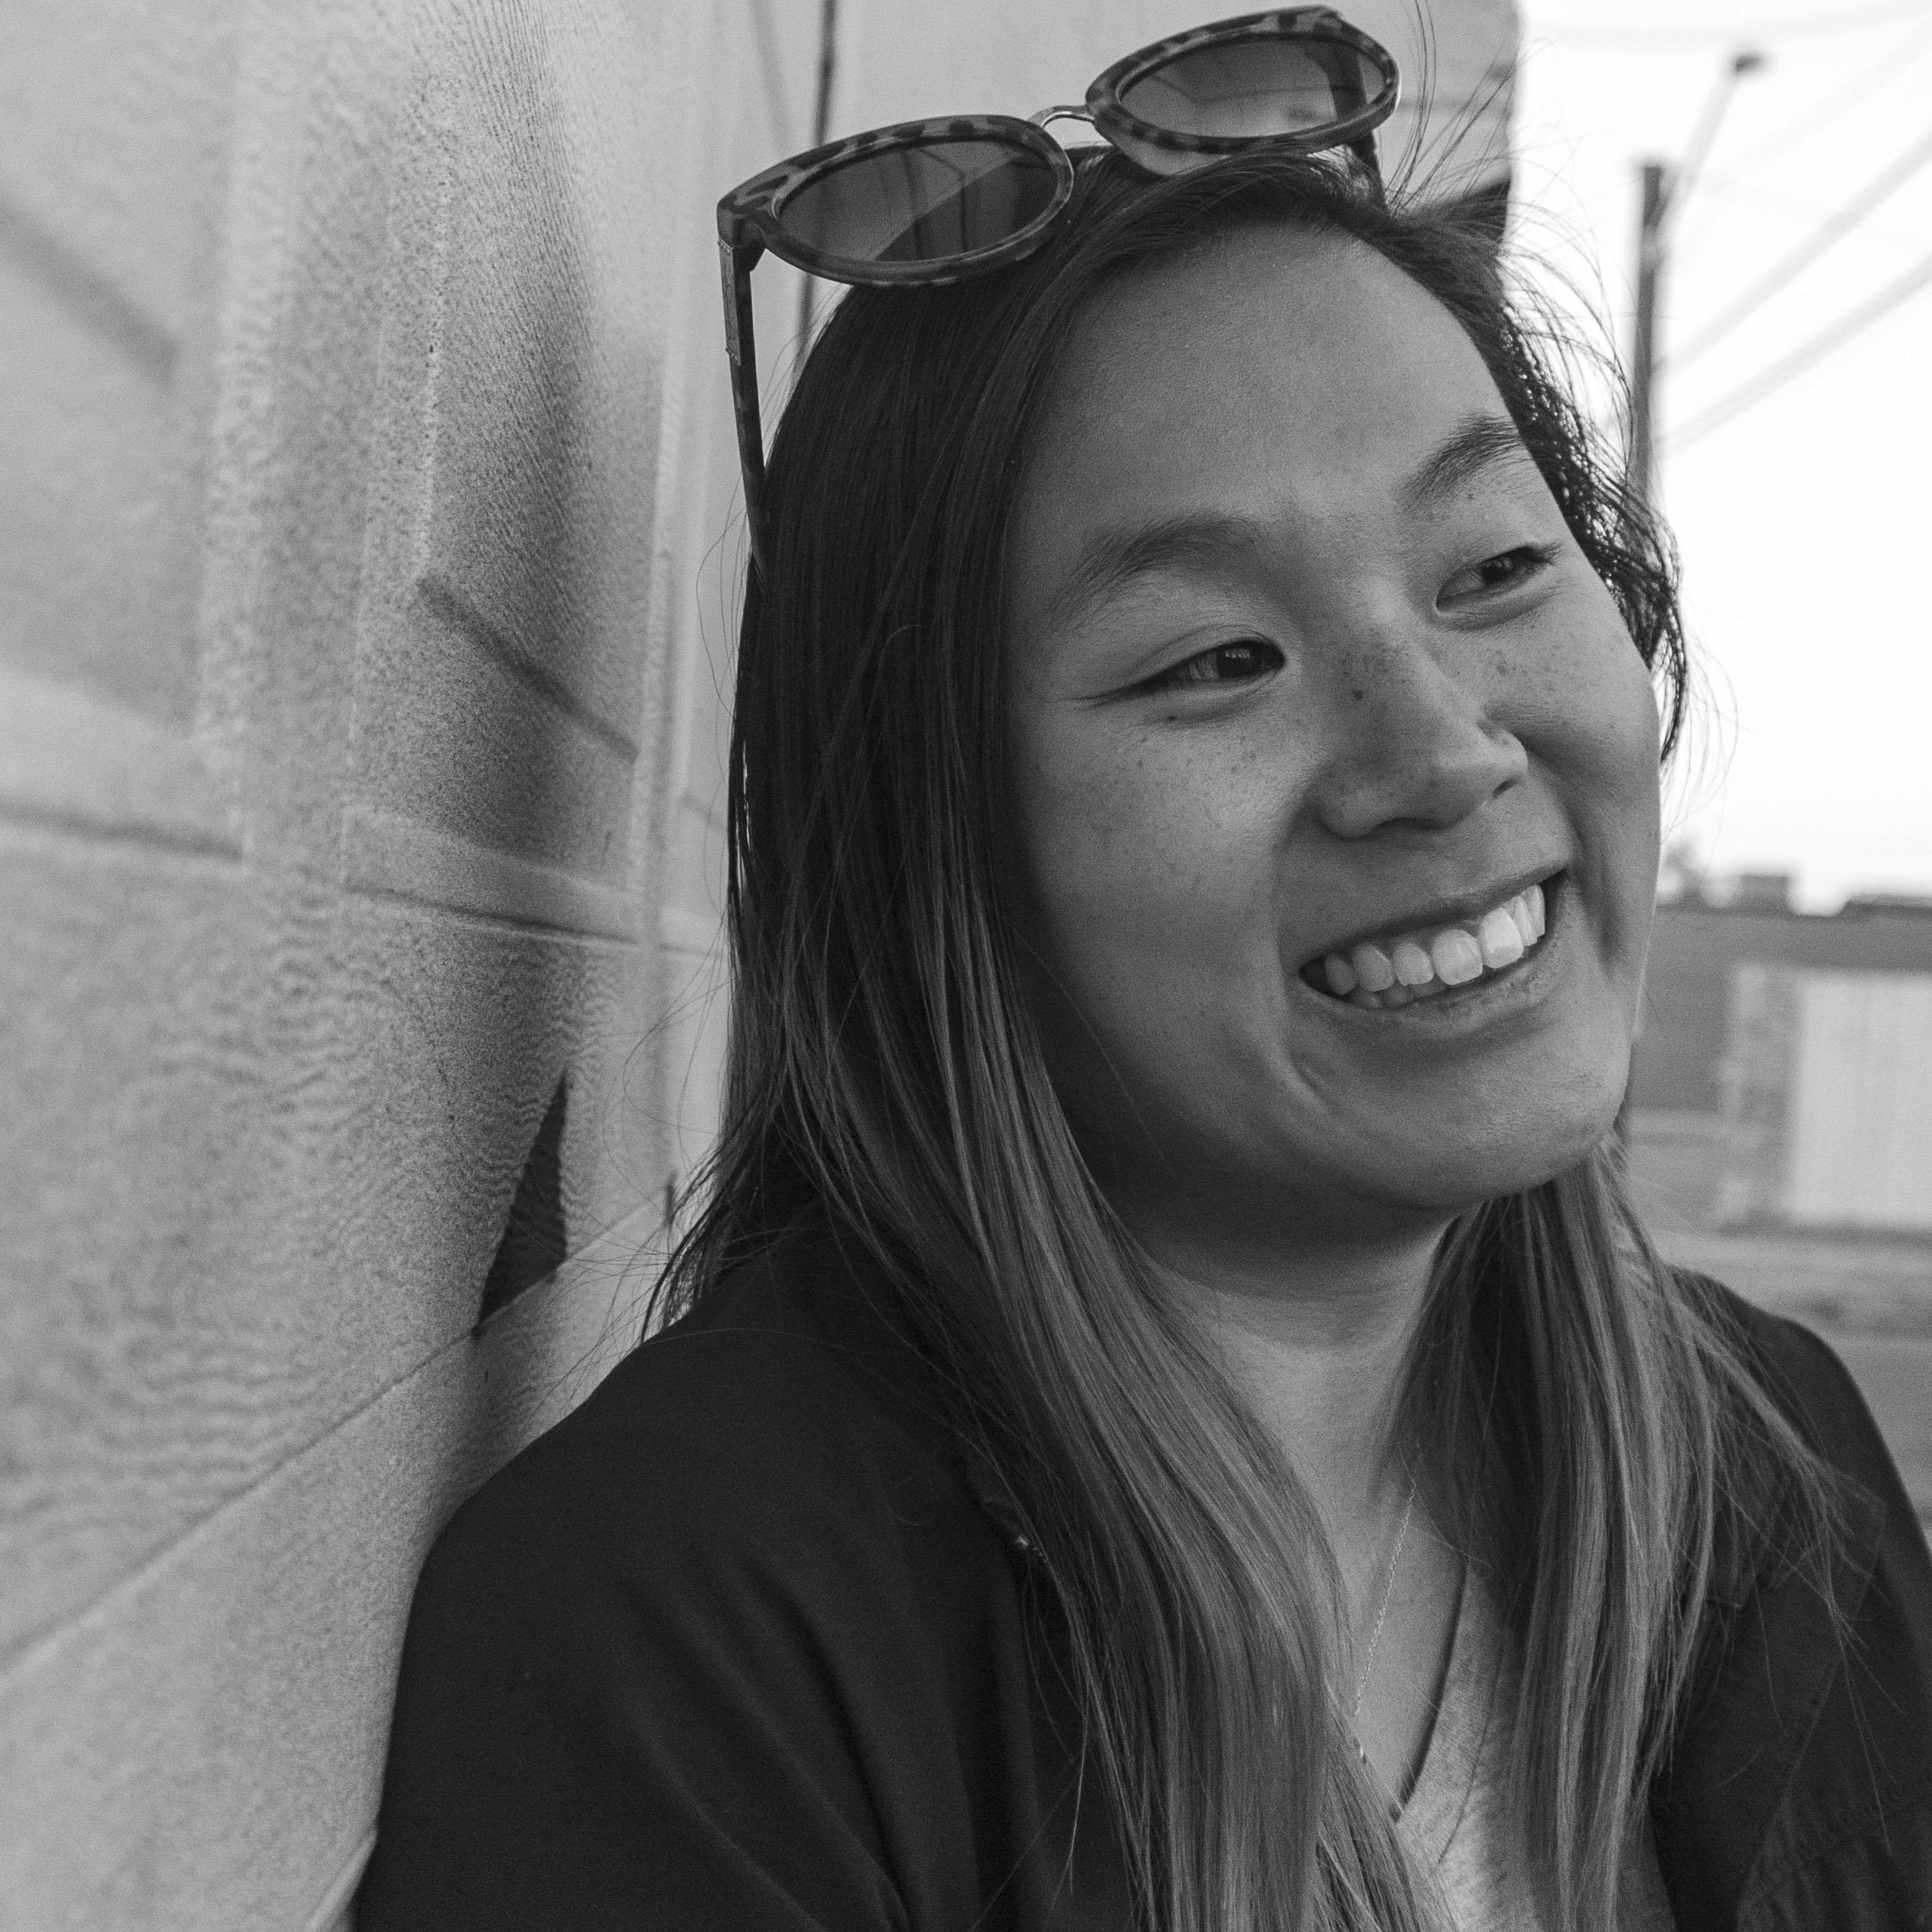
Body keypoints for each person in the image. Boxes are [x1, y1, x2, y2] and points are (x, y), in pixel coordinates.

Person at [357, 21, 1932, 1930]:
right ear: (934, 851)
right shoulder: (683, 1646)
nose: (1440, 752)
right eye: (1213, 660)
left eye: (1493, 565)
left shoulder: (1771, 1457)